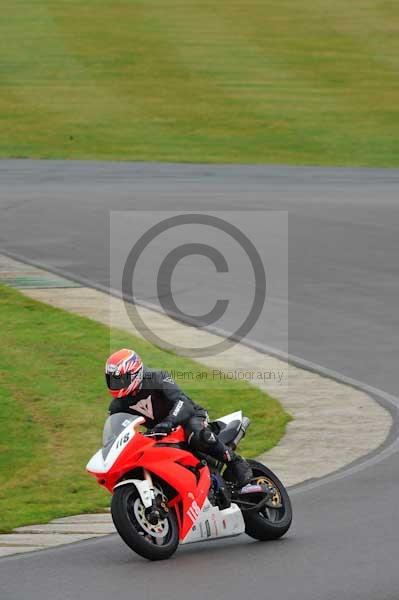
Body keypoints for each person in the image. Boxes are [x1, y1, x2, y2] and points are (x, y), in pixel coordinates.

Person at [105, 348, 253, 487]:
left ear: (134, 372)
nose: (115, 384)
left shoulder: (157, 378)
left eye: (119, 379)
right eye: (112, 379)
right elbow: (116, 436)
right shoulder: (117, 406)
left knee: (197, 434)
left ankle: (235, 461)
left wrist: (169, 422)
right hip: (160, 433)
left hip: (189, 417)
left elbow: (183, 402)